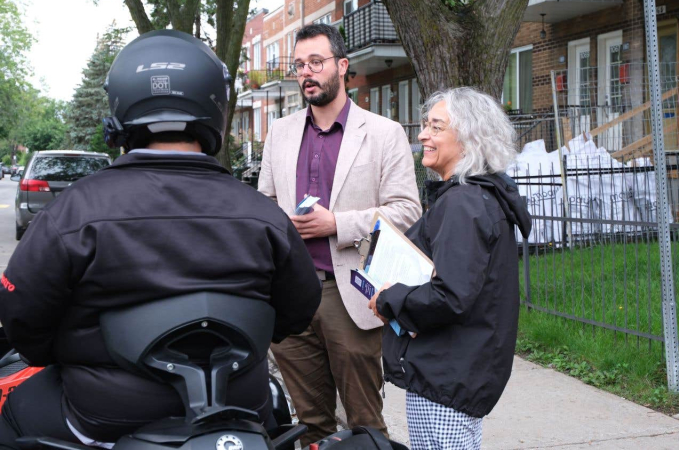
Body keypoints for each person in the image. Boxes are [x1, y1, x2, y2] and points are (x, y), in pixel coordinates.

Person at [0, 30, 321, 450]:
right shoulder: (265, 216)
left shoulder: (74, 211)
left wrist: (73, 348)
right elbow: (298, 311)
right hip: (238, 410)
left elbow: (23, 320)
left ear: (121, 105)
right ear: (214, 105)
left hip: (105, 414)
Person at [257, 24, 422, 445]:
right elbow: (264, 204)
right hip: (291, 293)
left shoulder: (384, 133)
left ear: (342, 65)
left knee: (364, 422)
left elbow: (407, 210)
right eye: (299, 66)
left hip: (348, 293)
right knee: (309, 423)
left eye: (316, 62)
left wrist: (339, 224)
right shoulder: (280, 132)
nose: (306, 73)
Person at [368, 87, 532, 450]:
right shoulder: (475, 198)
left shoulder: (463, 204)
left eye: (436, 127)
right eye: (426, 125)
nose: (423, 135)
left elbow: (450, 296)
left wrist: (389, 299)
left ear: (469, 138)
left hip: (446, 378)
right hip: (455, 372)